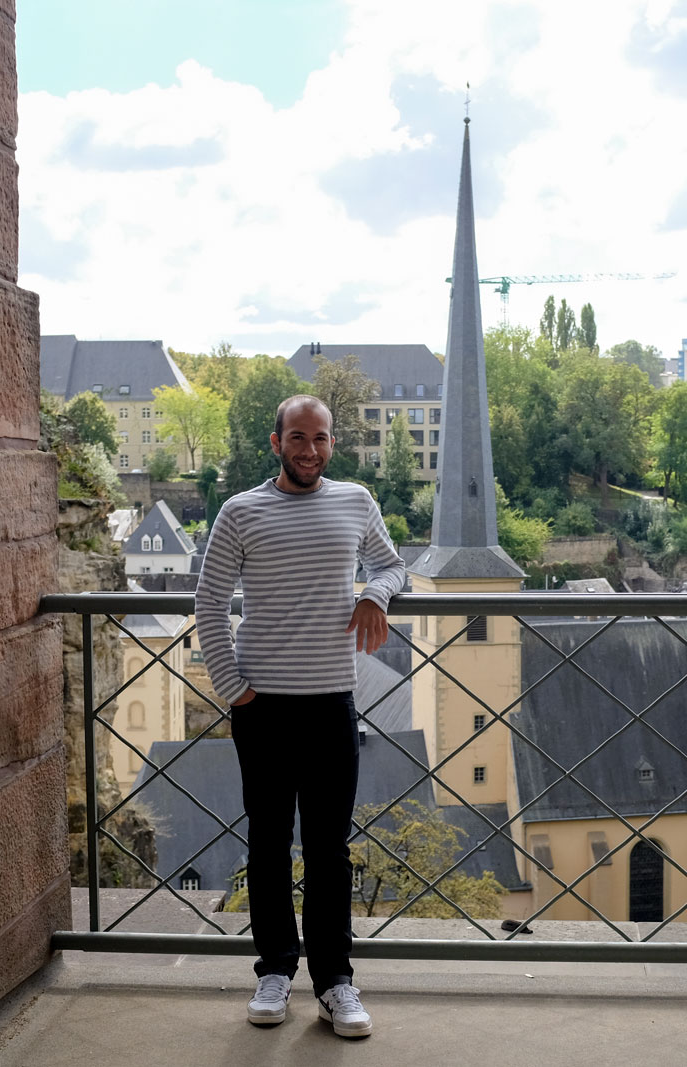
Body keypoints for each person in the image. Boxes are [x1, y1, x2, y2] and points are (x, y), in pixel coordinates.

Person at [194, 394, 407, 1039]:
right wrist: (235, 688)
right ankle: (275, 970)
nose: (308, 449)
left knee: (328, 851)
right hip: (263, 710)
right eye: (297, 437)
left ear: (331, 444)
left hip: (331, 708)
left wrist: (373, 594)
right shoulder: (241, 511)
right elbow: (208, 603)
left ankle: (336, 982)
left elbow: (395, 566)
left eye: (319, 439)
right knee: (266, 846)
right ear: (275, 441)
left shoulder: (355, 502)